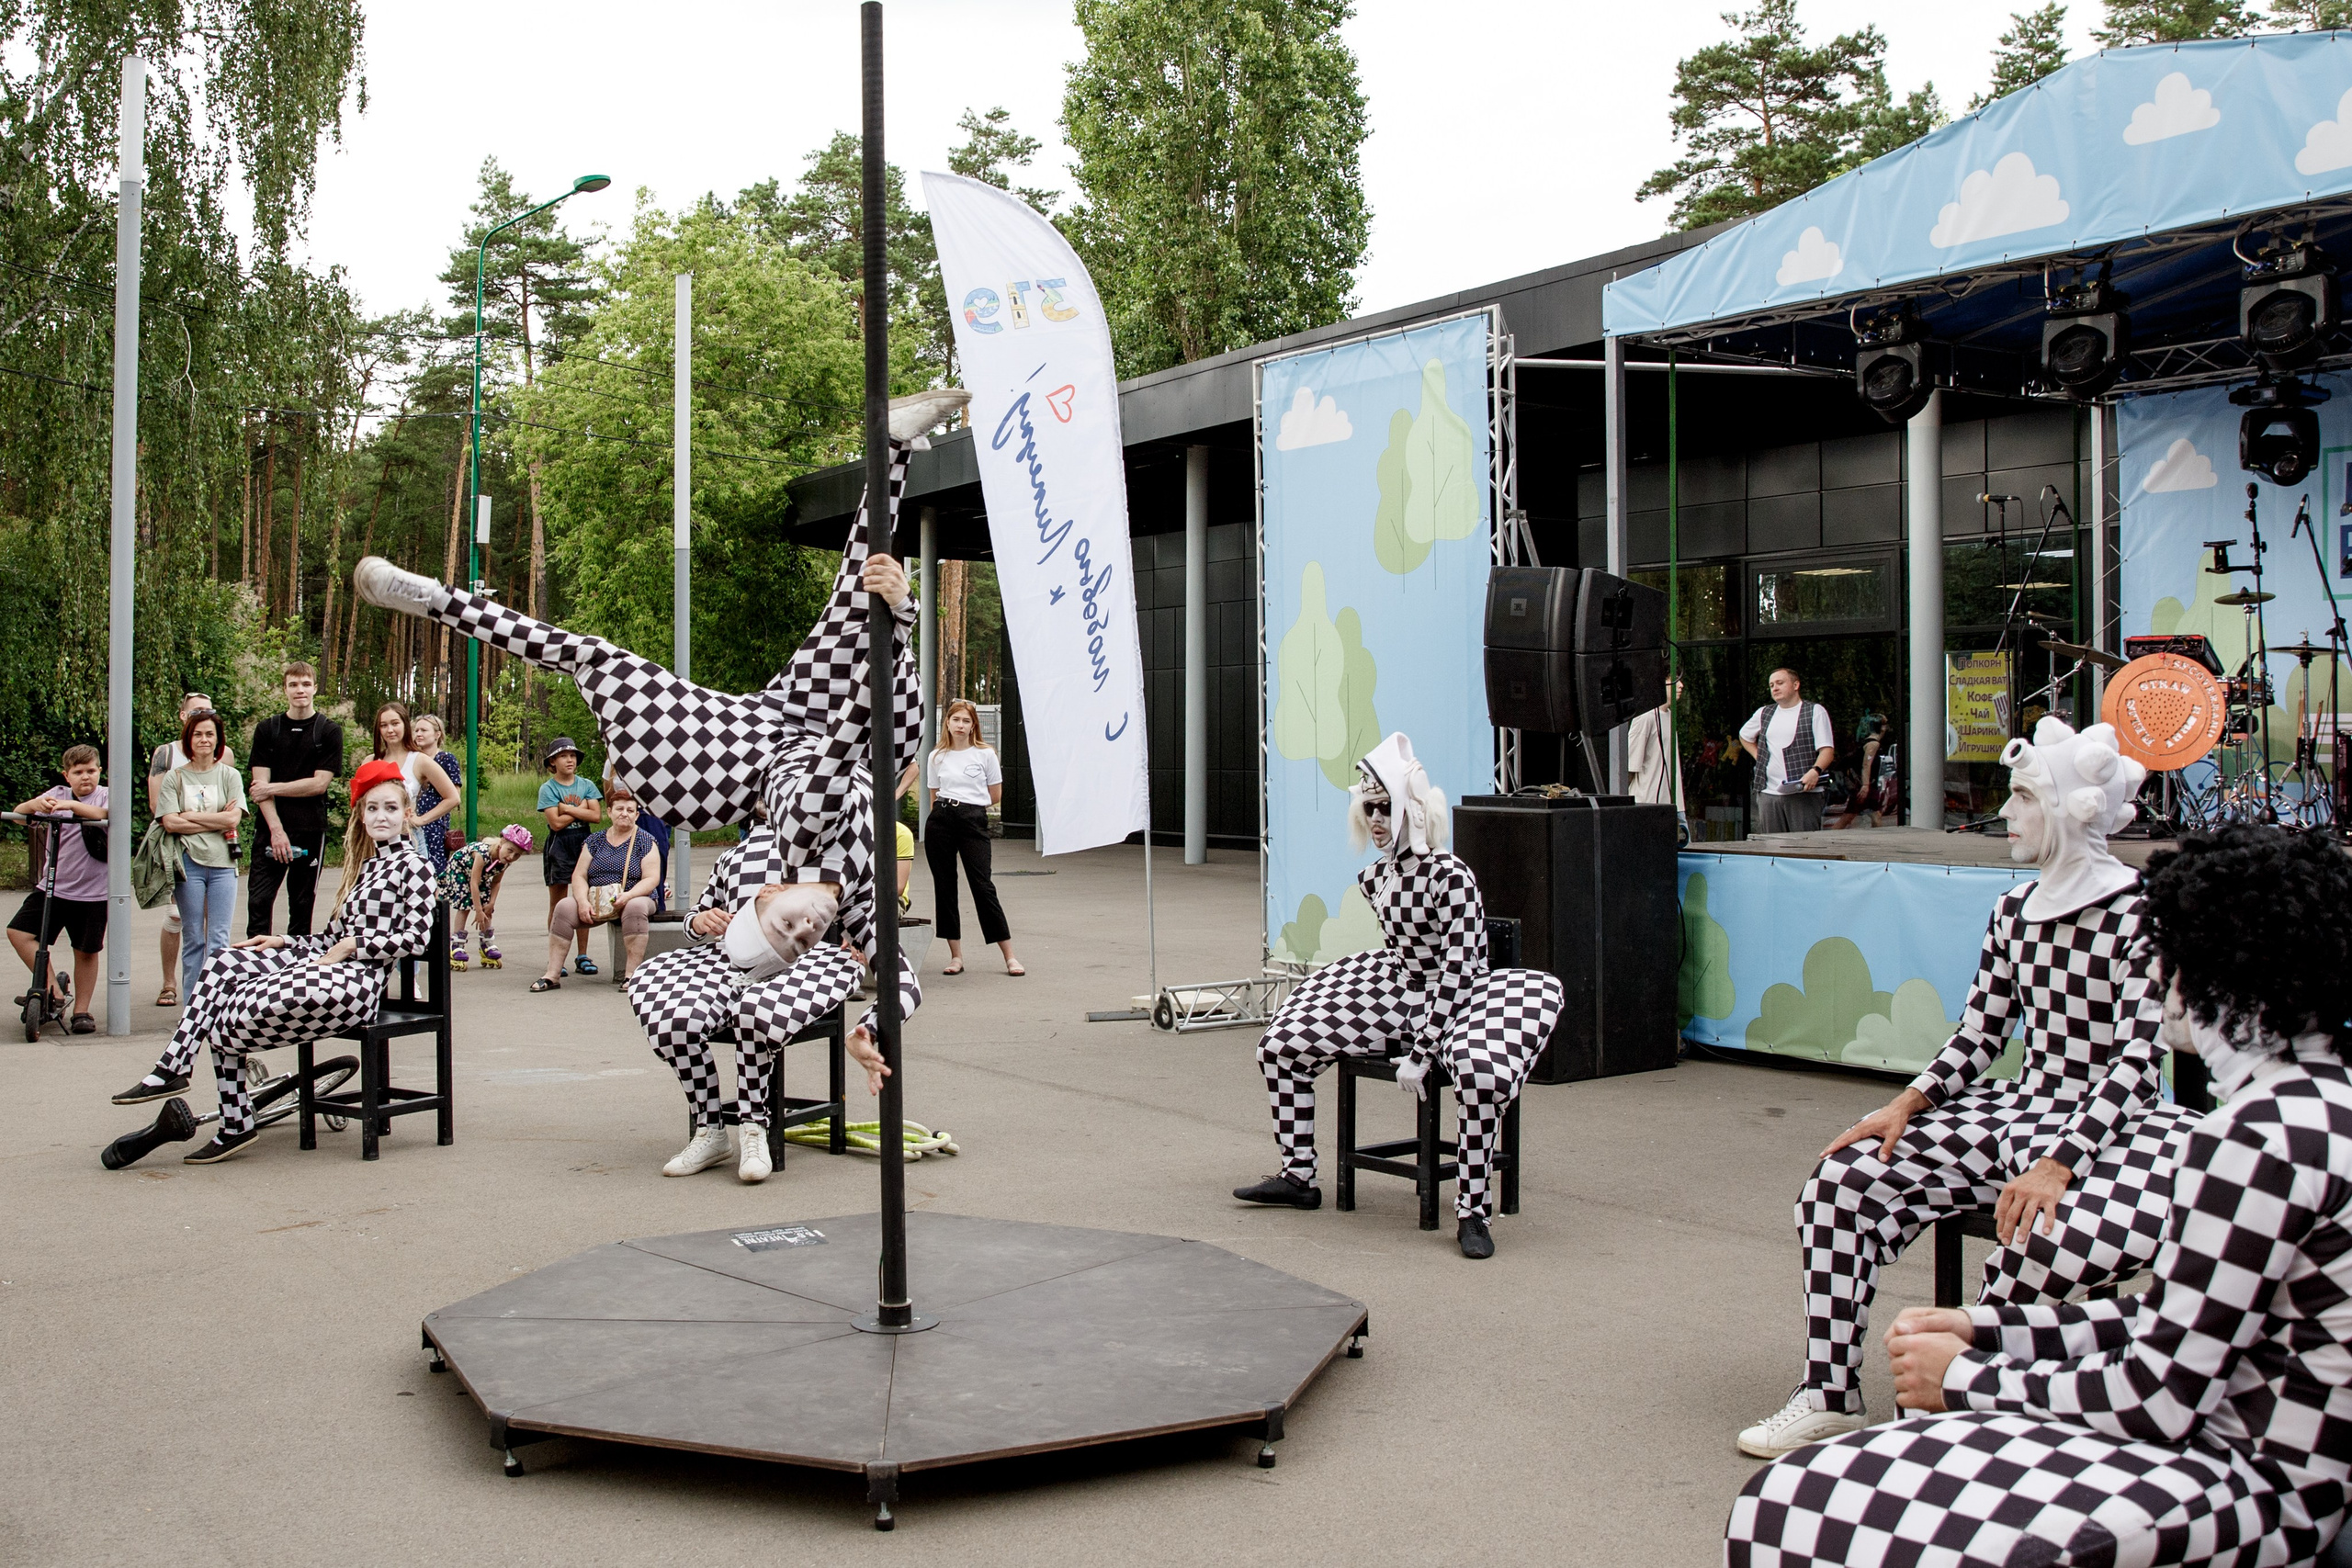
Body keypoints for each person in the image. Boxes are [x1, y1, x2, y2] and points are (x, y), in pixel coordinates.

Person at [1728, 825, 2352, 1566]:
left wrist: (1966, 1379)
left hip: (2251, 1486)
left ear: (2217, 968)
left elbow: (2156, 1397)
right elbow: (2170, 1326)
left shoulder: (2249, 1141)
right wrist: (1986, 1330)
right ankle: (1831, 1393)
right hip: (2270, 1467)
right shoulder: (2317, 1107)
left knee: (1791, 1507)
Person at [1736, 716, 2199, 1460]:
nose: (2006, 815)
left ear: (2071, 810)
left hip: (2113, 1128)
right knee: (1840, 1182)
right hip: (2021, 1106)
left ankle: (1958, 1401)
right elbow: (1980, 1034)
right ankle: (1829, 1393)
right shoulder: (2015, 910)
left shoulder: (2138, 913)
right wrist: (1906, 1103)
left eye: (2020, 798)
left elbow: (2139, 1064)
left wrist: (2061, 1161)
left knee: (2031, 1231)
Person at [1231, 733, 1567, 1259]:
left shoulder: (1451, 876)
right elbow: (1404, 956)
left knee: (1478, 1077)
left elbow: (1459, 969)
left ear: (1411, 807)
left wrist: (1423, 1050)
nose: (1378, 820)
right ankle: (1298, 1176)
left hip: (1465, 997)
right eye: (1370, 808)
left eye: (1386, 807)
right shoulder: (1376, 880)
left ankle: (1473, 1213)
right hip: (1402, 986)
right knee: (1279, 1045)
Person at [109, 760, 438, 1161]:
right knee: (225, 960)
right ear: (361, 816)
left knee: (223, 1017)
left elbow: (416, 939)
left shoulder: (415, 866)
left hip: (358, 988)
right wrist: (280, 941)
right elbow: (328, 941)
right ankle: (181, 1074)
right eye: (372, 808)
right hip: (329, 969)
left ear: (407, 815)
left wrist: (355, 945)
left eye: (389, 808)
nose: (380, 816)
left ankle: (227, 1115)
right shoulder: (366, 869)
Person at [9, 744, 109, 1032]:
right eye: (78, 772)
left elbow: (105, 812)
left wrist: (73, 806)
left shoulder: (104, 795)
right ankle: (52, 990)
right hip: (53, 888)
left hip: (94, 893)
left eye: (91, 770)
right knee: (19, 932)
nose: (85, 777)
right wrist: (35, 806)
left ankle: (82, 1011)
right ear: (67, 775)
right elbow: (19, 813)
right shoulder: (57, 794)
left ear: (99, 771)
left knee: (86, 951)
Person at [244, 660, 344, 939]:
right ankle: (256, 975)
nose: (300, 690)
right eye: (293, 685)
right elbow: (258, 787)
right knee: (259, 904)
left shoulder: (328, 731)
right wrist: (277, 832)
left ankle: (295, 973)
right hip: (270, 830)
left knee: (301, 908)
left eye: (305, 684)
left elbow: (319, 784)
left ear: (314, 688)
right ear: (285, 689)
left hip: (310, 830)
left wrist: (272, 788)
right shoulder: (267, 729)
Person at [923, 698, 1022, 976]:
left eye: (966, 721)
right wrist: (943, 813)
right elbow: (934, 795)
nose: (961, 725)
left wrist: (970, 808)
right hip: (941, 819)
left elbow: (995, 795)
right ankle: (956, 956)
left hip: (973, 821)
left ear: (973, 725)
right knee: (945, 887)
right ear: (948, 722)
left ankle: (1010, 956)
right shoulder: (936, 756)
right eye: (956, 720)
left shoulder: (985, 754)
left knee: (982, 886)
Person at [156, 708, 244, 1012]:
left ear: (218, 739)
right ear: (188, 739)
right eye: (198, 734)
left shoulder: (230, 775)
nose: (204, 739)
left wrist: (190, 816)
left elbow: (234, 818)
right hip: (188, 863)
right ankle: (193, 1009)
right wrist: (216, 820)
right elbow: (170, 823)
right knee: (193, 936)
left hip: (223, 865)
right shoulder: (175, 777)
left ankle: (216, 1005)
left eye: (210, 734)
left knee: (218, 940)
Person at [537, 787, 662, 989]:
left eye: (630, 810)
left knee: (635, 907)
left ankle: (631, 975)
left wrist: (628, 895)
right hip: (598, 900)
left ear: (637, 815)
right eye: (620, 809)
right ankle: (552, 975)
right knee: (563, 907)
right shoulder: (594, 841)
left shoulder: (646, 841)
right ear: (609, 812)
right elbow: (579, 875)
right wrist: (582, 901)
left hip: (635, 896)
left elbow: (651, 878)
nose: (625, 814)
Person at [1741, 667, 1837, 834]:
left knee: (1804, 847)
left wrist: (1815, 771)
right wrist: (1759, 756)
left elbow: (1827, 750)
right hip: (1768, 793)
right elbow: (1744, 736)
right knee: (1772, 848)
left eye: (1780, 683)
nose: (1775, 688)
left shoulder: (1814, 711)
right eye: (1771, 685)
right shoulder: (1764, 713)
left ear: (1795, 685)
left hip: (1803, 793)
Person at [536, 739, 603, 975]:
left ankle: (582, 955)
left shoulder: (586, 785)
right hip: (559, 846)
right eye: (564, 756)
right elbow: (555, 823)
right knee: (558, 903)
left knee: (583, 900)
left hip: (584, 845)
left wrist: (567, 808)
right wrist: (580, 810)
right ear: (553, 762)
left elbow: (596, 816)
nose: (570, 760)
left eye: (573, 755)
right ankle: (556, 959)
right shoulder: (549, 788)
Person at [368, 702, 461, 856]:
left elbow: (453, 797)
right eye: (383, 725)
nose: (390, 730)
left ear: (405, 725)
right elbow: (358, 805)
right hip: (374, 843)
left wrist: (421, 820)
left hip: (409, 841)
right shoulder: (371, 761)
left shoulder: (419, 760)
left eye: (395, 723)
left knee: (416, 880)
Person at [440, 824, 533, 971]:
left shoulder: (504, 862)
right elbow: (474, 883)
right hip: (460, 870)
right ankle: (456, 945)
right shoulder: (482, 854)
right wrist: (477, 910)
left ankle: (486, 943)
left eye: (517, 855)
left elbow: (496, 883)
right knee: (465, 904)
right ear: (502, 842)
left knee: (487, 907)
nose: (511, 857)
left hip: (480, 876)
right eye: (510, 851)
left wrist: (491, 904)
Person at [1626, 677, 1686, 827]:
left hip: (1672, 803)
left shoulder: (1670, 716)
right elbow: (1630, 767)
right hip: (1648, 803)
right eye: (1674, 680)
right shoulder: (1644, 717)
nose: (1681, 685)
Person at [408, 711, 461, 874]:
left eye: (424, 730)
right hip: (409, 823)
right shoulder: (411, 758)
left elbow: (455, 795)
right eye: (416, 730)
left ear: (437, 734)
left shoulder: (446, 759)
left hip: (434, 825)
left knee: (433, 872)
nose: (419, 734)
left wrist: (424, 819)